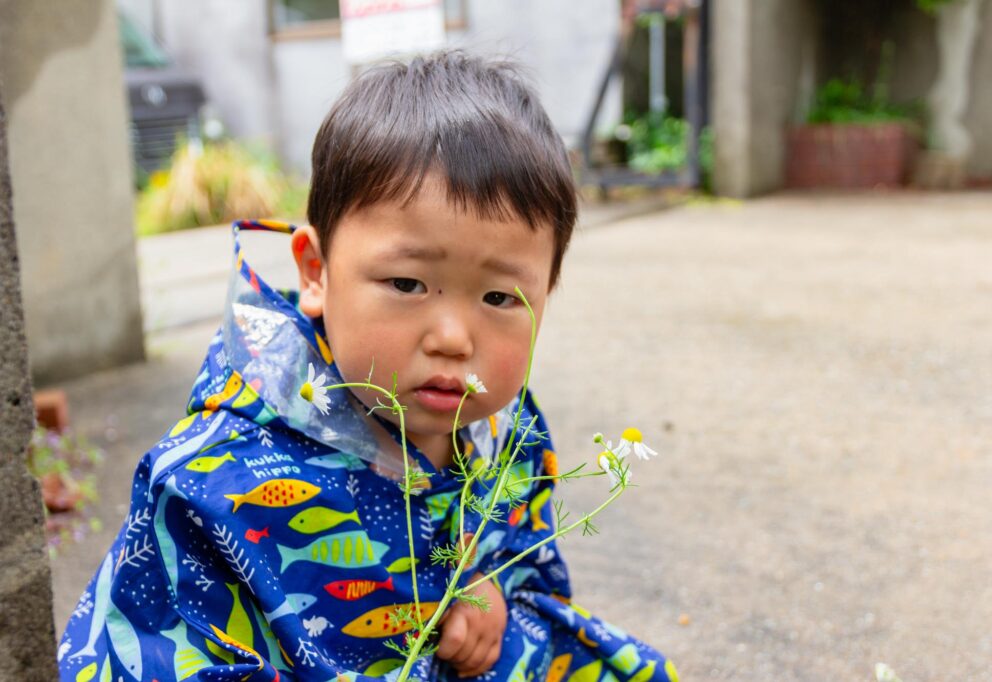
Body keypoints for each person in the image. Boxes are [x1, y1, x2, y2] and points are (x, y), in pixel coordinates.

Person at [57, 51, 678, 681]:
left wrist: (492, 593)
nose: (453, 338)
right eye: (407, 284)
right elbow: (143, 655)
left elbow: (522, 555)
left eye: (498, 298)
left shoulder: (507, 432)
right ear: (315, 272)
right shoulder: (211, 482)